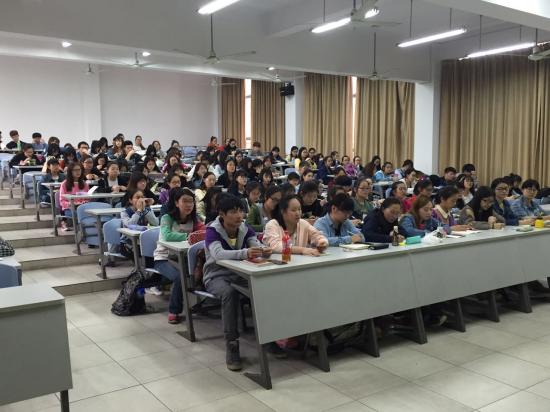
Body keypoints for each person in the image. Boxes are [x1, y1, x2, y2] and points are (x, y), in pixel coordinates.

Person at [203, 194, 271, 371]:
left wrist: (263, 250)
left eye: (241, 211)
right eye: (233, 212)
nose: (239, 215)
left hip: (240, 274)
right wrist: (245, 253)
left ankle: (270, 338)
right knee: (229, 293)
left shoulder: (244, 228)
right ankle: (232, 344)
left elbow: (254, 243)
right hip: (216, 276)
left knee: (264, 287)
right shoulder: (212, 230)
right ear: (222, 214)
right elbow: (218, 255)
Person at [153, 188, 205, 324]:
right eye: (185, 201)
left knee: (202, 270)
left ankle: (197, 303)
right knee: (179, 277)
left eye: (191, 201)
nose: (189, 205)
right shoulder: (167, 218)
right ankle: (174, 310)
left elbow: (203, 231)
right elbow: (167, 235)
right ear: (176, 203)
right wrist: (189, 236)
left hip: (183, 257)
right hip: (163, 259)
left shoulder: (194, 219)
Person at [263, 194, 328, 255]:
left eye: (299, 209)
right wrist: (302, 250)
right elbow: (276, 246)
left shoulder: (303, 223)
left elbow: (316, 235)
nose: (298, 213)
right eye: (293, 210)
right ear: (283, 211)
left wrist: (321, 242)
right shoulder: (272, 225)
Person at [58, 162, 90, 231]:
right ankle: (81, 231)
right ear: (70, 172)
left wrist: (84, 202)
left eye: (79, 170)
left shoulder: (85, 184)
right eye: (75, 170)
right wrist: (72, 204)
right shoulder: (64, 184)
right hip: (69, 208)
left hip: (82, 207)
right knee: (78, 213)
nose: (78, 172)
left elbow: (87, 199)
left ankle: (87, 230)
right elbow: (62, 201)